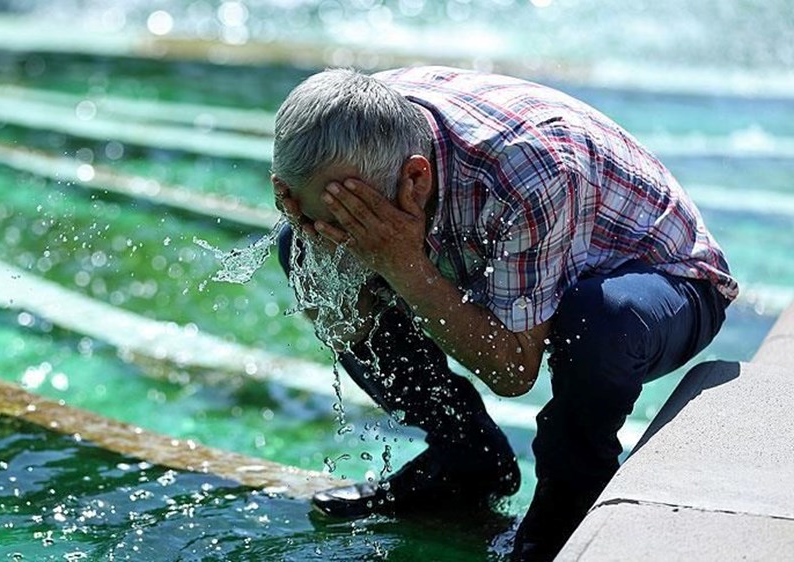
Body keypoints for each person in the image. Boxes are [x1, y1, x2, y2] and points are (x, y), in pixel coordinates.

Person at [270, 66, 736, 561]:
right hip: (503, 250)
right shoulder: (333, 131)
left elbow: (513, 370)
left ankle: (567, 509)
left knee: (596, 319)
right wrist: (326, 252)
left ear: (414, 178)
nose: (331, 230)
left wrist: (402, 265)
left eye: (352, 219)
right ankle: (467, 458)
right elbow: (352, 316)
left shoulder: (529, 169)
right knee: (300, 252)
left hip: (666, 283)